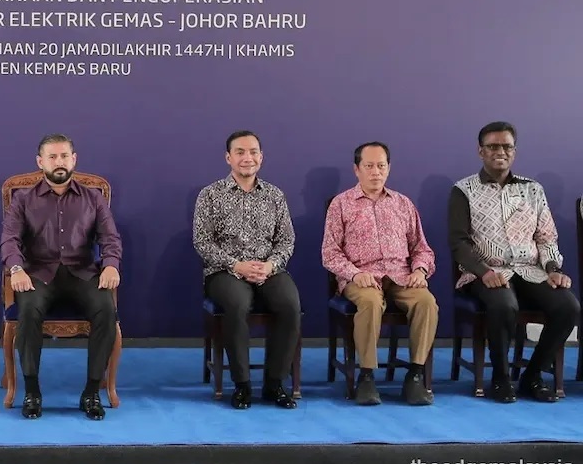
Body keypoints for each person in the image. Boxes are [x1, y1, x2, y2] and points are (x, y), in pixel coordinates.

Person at [449, 121, 579, 403]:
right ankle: (500, 378)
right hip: (485, 272)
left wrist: (553, 269)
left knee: (569, 306)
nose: (500, 152)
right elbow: (459, 243)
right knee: (504, 304)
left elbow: (546, 237)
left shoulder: (533, 190)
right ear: (480, 151)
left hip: (530, 270)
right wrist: (484, 272)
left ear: (514, 152)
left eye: (506, 146)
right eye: (493, 146)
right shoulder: (464, 190)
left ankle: (532, 375)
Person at [0, 134, 121, 420]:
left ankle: (92, 391)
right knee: (27, 308)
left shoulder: (94, 198)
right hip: (38, 274)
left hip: (82, 271)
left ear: (74, 159)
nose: (59, 162)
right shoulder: (23, 199)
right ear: (40, 162)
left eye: (65, 156)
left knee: (106, 308)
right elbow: (9, 240)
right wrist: (16, 269)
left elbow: (110, 238)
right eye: (52, 157)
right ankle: (31, 390)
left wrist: (112, 264)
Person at [322, 141, 438, 406]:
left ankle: (416, 375)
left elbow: (422, 248)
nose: (376, 172)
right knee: (371, 302)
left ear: (389, 168)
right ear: (356, 169)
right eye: (369, 166)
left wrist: (420, 270)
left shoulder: (403, 204)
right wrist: (353, 274)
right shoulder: (341, 204)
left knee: (426, 301)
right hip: (362, 277)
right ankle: (366, 376)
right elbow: (330, 253)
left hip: (401, 275)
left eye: (381, 166)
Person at [193, 130, 301, 410]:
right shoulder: (210, 195)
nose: (247, 157)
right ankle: (241, 385)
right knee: (237, 304)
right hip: (225, 272)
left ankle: (274, 383)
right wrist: (236, 265)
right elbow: (202, 242)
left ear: (261, 157)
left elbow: (287, 240)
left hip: (268, 269)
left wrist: (270, 265)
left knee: (289, 305)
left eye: (253, 152)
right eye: (240, 152)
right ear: (228, 158)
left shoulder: (275, 195)